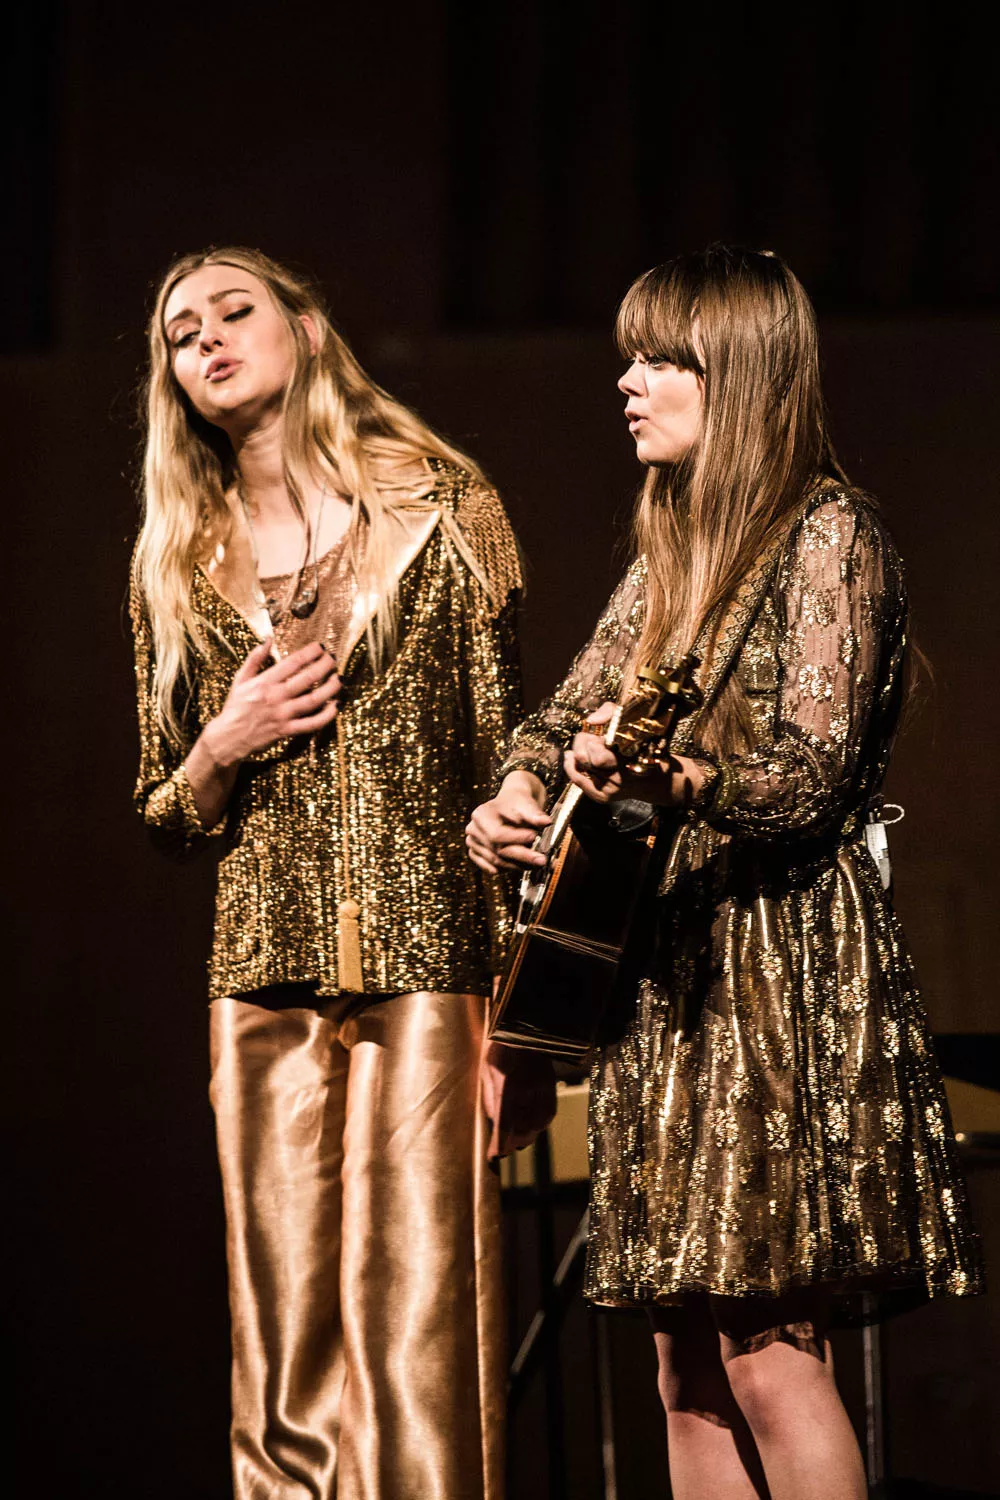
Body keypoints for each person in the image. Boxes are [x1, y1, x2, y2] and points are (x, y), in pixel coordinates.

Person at [466, 245, 983, 1500]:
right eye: (627, 359)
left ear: (740, 375)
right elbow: (562, 712)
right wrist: (519, 787)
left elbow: (807, 773)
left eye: (661, 360)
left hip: (773, 967)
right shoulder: (673, 549)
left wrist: (672, 779)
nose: (628, 383)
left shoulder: (828, 531)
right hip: (672, 975)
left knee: (768, 1355)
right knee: (683, 1367)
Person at [130, 246, 549, 1500]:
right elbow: (165, 812)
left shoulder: (441, 504)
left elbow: (507, 758)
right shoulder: (177, 559)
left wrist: (517, 1017)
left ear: (306, 331)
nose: (207, 339)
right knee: (281, 1341)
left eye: (234, 311)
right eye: (182, 333)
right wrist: (221, 744)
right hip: (261, 977)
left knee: (419, 1327)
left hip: (429, 965)